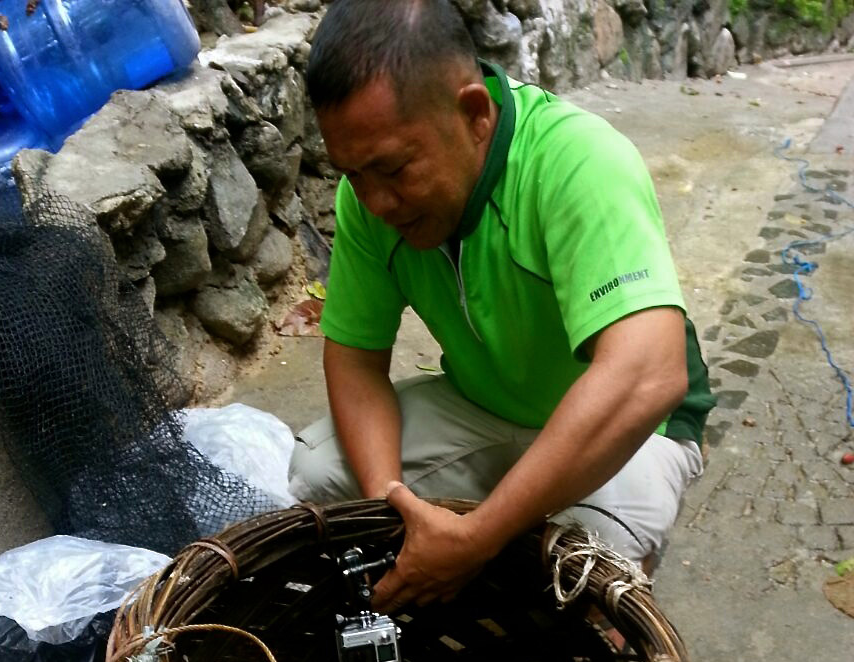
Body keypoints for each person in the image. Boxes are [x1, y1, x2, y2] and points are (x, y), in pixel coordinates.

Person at [289, 0, 716, 613]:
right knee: (318, 472)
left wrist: (476, 538)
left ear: (474, 114)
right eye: (353, 173)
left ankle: (625, 552)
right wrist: (395, 507)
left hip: (639, 426)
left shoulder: (578, 160)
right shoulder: (365, 198)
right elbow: (356, 362)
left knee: (586, 570)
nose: (375, 202)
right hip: (485, 403)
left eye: (394, 168)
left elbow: (649, 375)